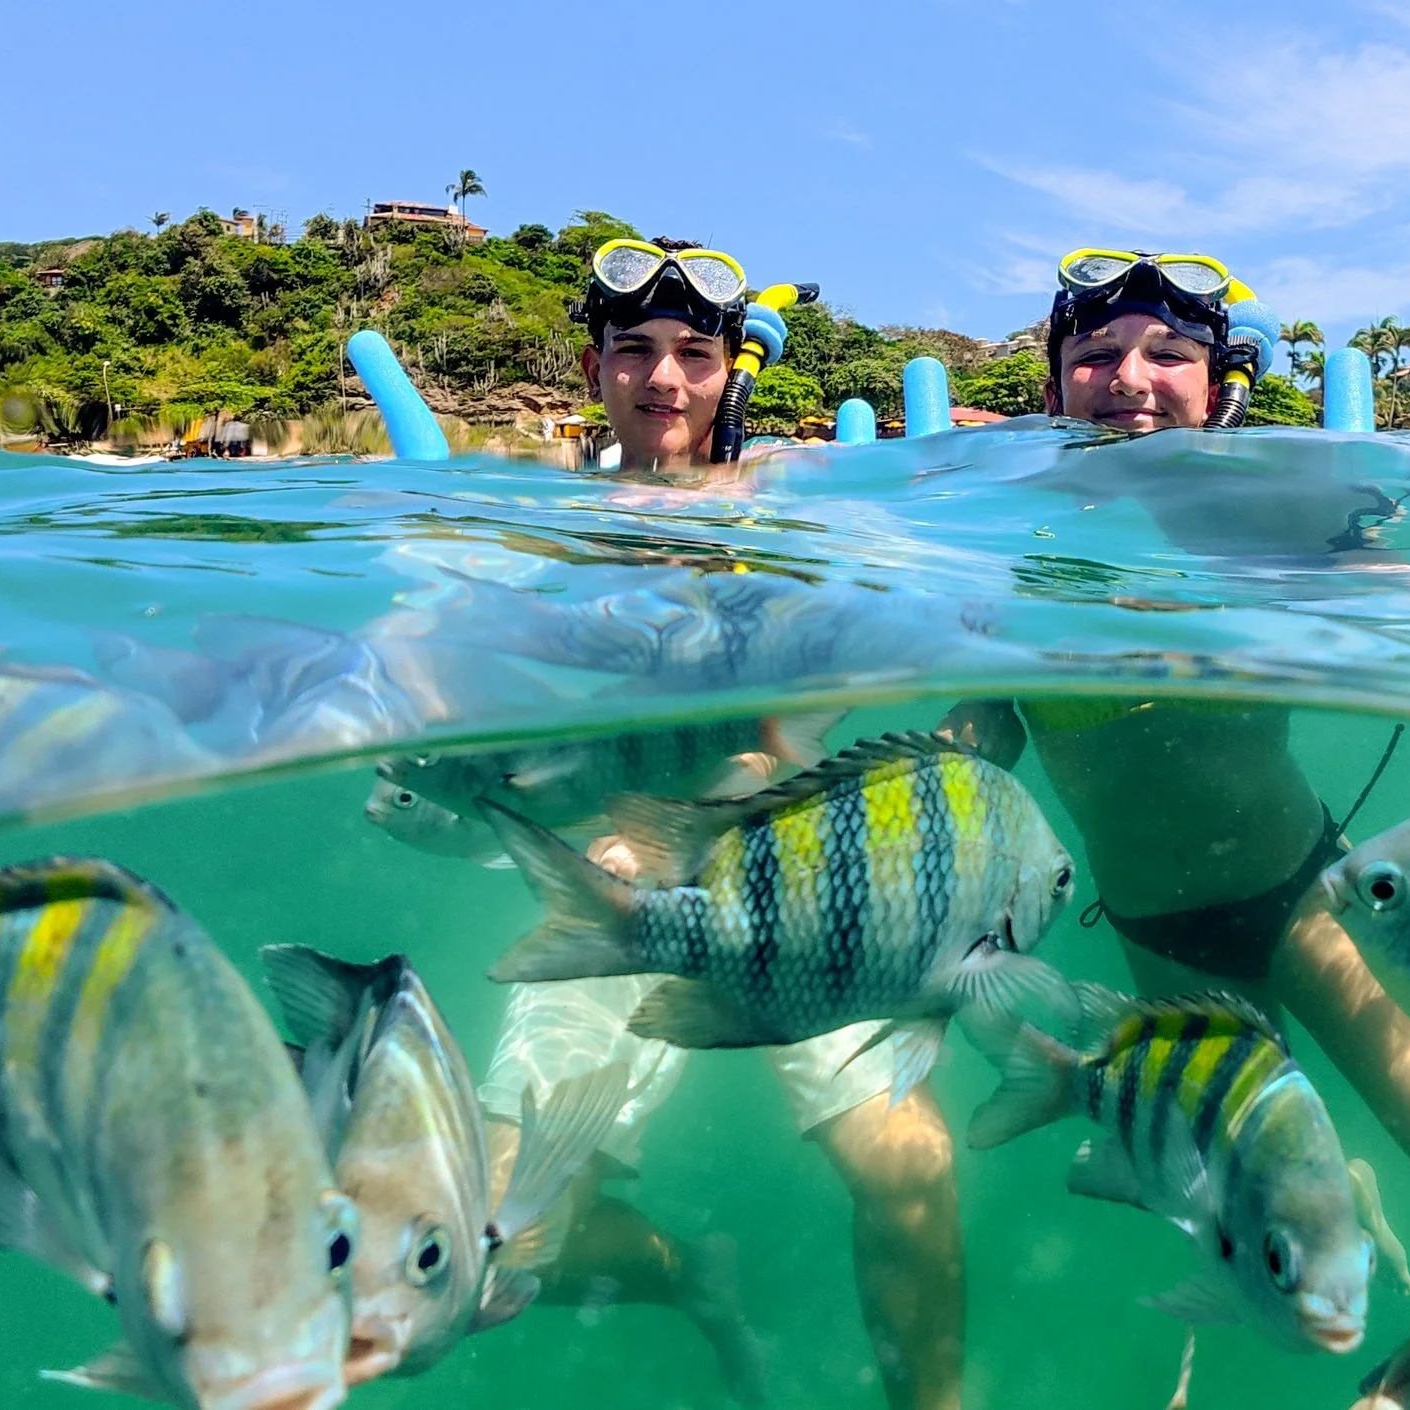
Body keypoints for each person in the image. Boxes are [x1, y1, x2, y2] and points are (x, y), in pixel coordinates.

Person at [940, 250, 1410, 1238]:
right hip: (1156, 938)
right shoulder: (1010, 533)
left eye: (1168, 353)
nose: (1131, 381)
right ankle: (1350, 1169)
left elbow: (1397, 580)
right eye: (1098, 355)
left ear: (1215, 379)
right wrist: (948, 761)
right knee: (1247, 1212)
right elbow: (988, 714)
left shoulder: (1265, 508)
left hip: (1301, 898)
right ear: (1056, 377)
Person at [479, 236, 965, 1410]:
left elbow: (866, 655)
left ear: (728, 370)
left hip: (795, 878)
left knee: (912, 1173)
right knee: (497, 1239)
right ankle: (690, 1275)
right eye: (635, 351)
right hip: (616, 887)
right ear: (593, 367)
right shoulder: (543, 526)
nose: (663, 380)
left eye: (693, 355)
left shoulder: (787, 510)